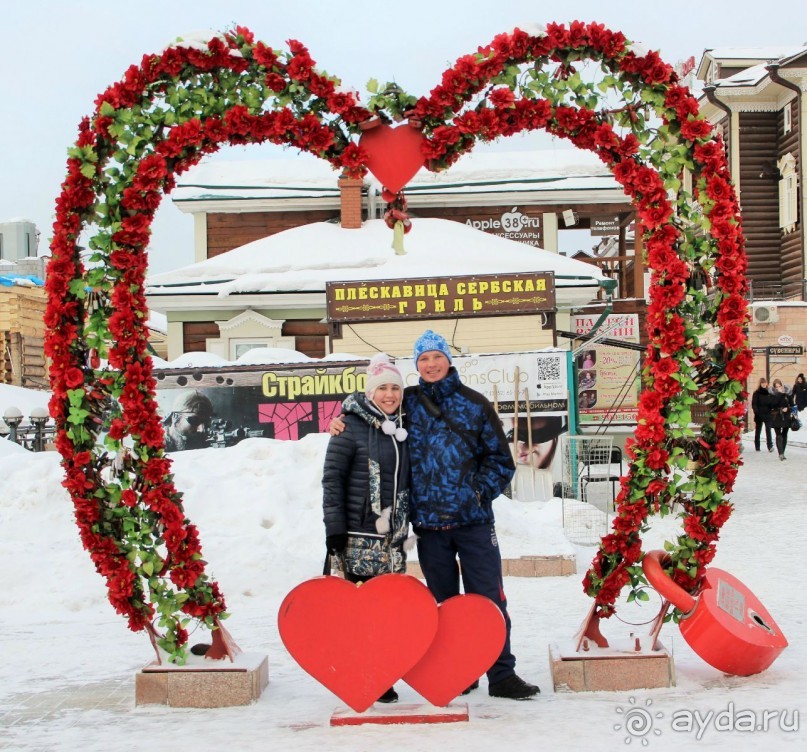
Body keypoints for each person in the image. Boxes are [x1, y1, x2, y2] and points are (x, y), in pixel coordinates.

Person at [331, 331, 539, 700]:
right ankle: (460, 670)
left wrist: (476, 493)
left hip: (473, 524)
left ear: (448, 360)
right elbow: (371, 406)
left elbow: (501, 461)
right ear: (416, 365)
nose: (430, 364)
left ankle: (502, 674)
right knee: (443, 606)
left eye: (436, 357)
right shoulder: (407, 402)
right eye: (423, 359)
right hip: (429, 528)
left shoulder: (474, 405)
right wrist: (341, 418)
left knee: (489, 602)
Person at [322, 353, 410, 704]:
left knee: (387, 613)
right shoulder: (349, 426)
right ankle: (361, 676)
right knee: (361, 615)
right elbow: (332, 480)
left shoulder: (403, 427)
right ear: (369, 392)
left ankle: (382, 676)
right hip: (357, 536)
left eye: (395, 388)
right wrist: (334, 529)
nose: (389, 395)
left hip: (392, 539)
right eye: (382, 388)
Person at [769, 378, 792, 461]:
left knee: (784, 434)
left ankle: (783, 452)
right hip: (776, 416)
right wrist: (779, 394)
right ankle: (780, 453)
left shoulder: (787, 394)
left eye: (779, 386)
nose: (779, 388)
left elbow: (792, 404)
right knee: (778, 434)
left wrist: (788, 409)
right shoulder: (772, 395)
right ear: (774, 388)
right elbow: (773, 404)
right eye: (776, 387)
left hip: (786, 416)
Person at [751, 377, 774, 452]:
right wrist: (756, 412)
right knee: (758, 430)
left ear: (767, 383)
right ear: (760, 384)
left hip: (768, 413)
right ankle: (757, 446)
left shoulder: (769, 392)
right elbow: (754, 404)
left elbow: (772, 402)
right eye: (762, 383)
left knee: (768, 430)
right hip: (759, 414)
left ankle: (770, 446)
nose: (764, 384)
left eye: (765, 383)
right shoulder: (756, 393)